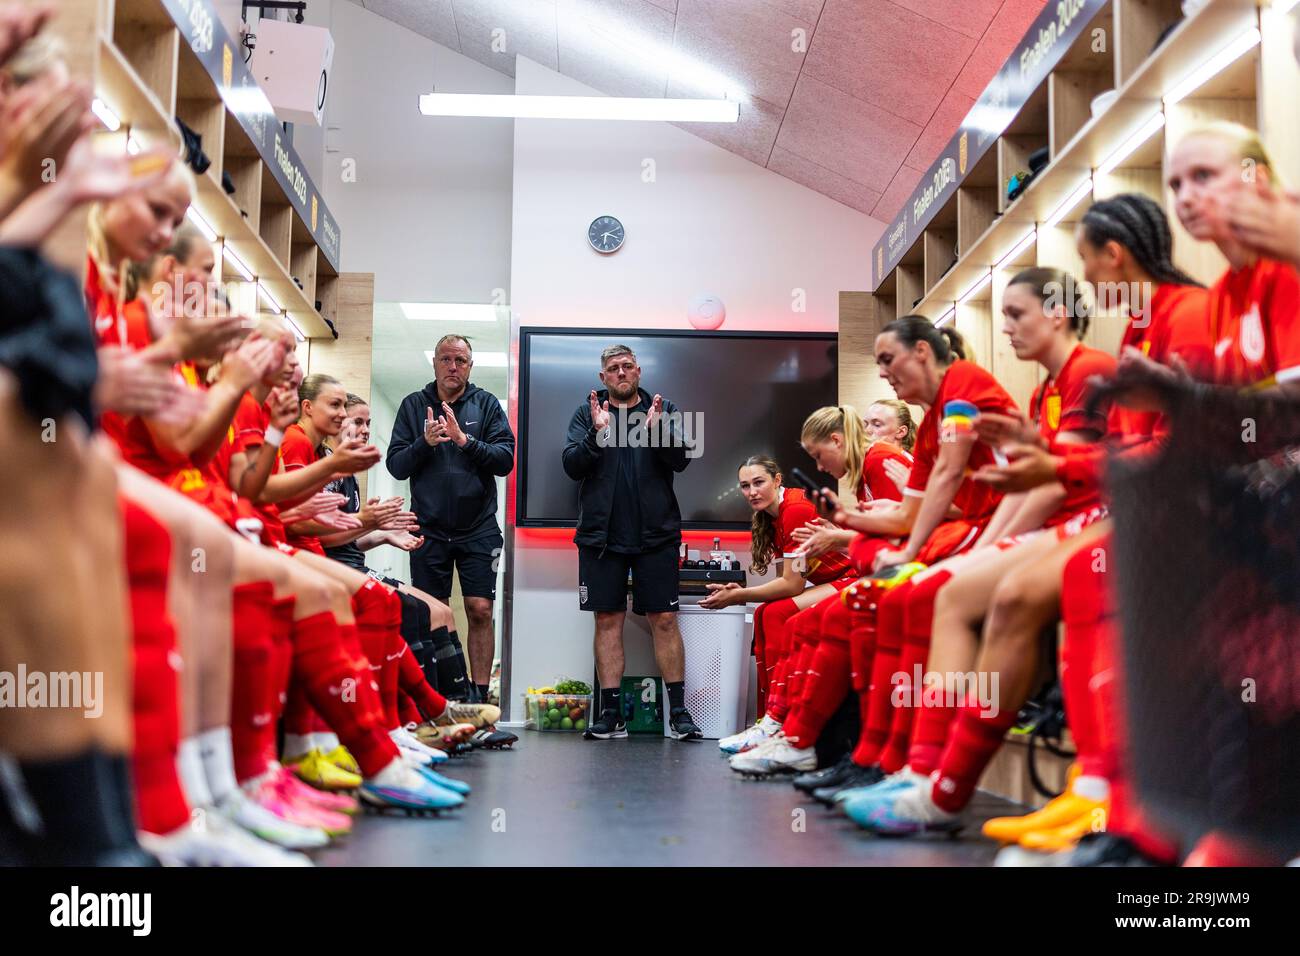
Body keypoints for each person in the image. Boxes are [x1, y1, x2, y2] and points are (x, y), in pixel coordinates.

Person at [720, 405, 914, 761]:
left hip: (868, 573)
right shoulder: (778, 515)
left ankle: (788, 726)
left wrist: (740, 595)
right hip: (870, 569)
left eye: (819, 456)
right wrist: (843, 531)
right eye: (744, 485)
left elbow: (910, 531)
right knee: (771, 614)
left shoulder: (872, 463)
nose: (821, 469)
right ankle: (778, 722)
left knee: (785, 617)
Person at [562, 344, 702, 740]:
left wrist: (658, 429)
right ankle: (610, 715)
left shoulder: (665, 408)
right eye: (613, 368)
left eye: (627, 366)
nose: (621, 373)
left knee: (665, 620)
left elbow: (681, 461)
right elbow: (571, 466)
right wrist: (597, 432)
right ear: (603, 377)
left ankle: (679, 715)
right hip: (601, 537)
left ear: (638, 372)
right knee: (608, 620)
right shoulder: (587, 412)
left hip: (655, 535)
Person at [386, 334, 515, 704]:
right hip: (428, 528)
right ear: (435, 364)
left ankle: (478, 695)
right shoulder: (414, 406)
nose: (453, 366)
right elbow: (396, 465)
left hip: (478, 528)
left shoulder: (486, 405)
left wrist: (463, 440)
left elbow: (505, 460)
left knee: (480, 609)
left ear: (470, 367)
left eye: (460, 360)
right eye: (446, 359)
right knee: (431, 612)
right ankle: (436, 697)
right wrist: (423, 443)